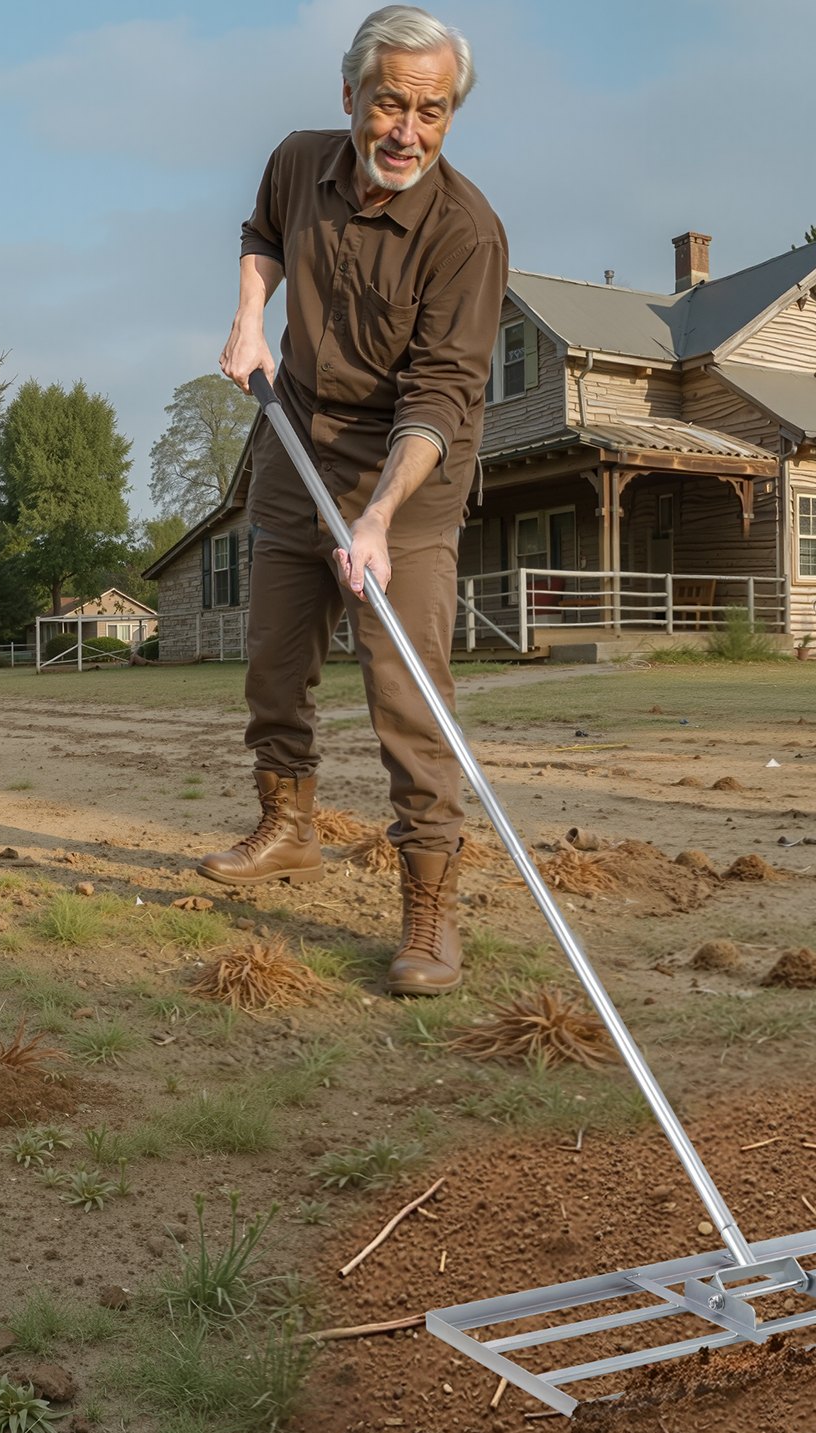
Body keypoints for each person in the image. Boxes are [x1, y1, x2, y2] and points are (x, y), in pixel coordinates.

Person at [203, 4, 507, 998]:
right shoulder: (297, 162)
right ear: (350, 98)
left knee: (407, 697)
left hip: (408, 478)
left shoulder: (466, 232)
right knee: (274, 659)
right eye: (389, 103)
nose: (406, 131)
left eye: (431, 111)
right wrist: (251, 318)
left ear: (449, 117)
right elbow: (261, 236)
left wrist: (377, 516)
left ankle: (429, 906)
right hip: (295, 444)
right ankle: (287, 827)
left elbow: (442, 395)